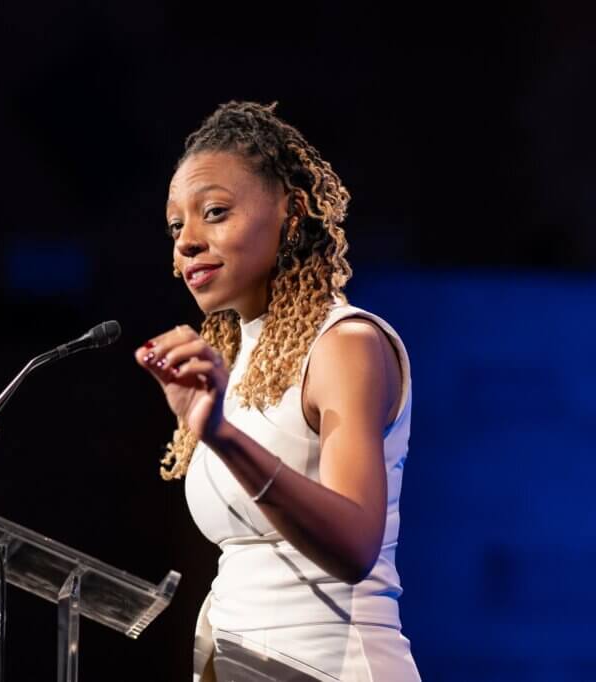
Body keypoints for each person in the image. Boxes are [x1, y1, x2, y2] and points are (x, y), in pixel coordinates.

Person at [134, 101, 421, 681]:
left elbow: (355, 545)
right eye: (175, 226)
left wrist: (223, 437)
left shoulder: (346, 344)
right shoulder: (234, 363)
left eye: (214, 211)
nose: (186, 242)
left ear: (290, 213)